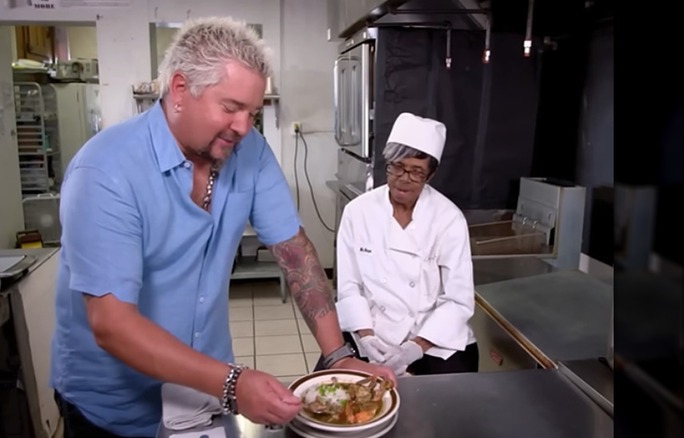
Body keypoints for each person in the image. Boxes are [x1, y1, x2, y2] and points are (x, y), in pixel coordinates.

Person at [48, 16, 395, 438]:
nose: (244, 127)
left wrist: (337, 354)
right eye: (230, 108)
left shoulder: (249, 152)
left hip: (205, 396)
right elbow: (111, 324)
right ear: (180, 90)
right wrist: (232, 383)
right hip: (115, 409)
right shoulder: (106, 171)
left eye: (252, 112)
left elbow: (295, 253)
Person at [326, 112, 479, 376]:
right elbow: (350, 287)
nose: (403, 178)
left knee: (453, 397)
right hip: (370, 331)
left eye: (416, 172)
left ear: (430, 175)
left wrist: (415, 348)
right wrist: (366, 337)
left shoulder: (448, 219)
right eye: (397, 167)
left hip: (432, 338)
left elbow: (458, 299)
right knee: (329, 386)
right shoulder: (358, 212)